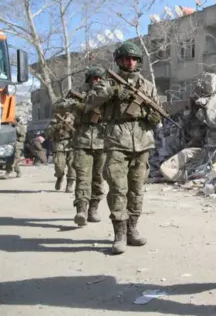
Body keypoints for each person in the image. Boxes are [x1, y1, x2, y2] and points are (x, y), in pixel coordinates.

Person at [85, 42, 161, 255]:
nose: (131, 62)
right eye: (126, 58)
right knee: (119, 190)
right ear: (119, 61)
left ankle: (132, 230)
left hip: (142, 142)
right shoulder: (107, 83)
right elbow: (90, 101)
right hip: (117, 142)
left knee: (137, 190)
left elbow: (156, 109)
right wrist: (114, 91)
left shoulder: (147, 85)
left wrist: (152, 116)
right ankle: (119, 234)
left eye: (134, 59)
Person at [53, 66, 107, 227]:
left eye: (99, 78)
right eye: (93, 78)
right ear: (89, 80)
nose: (96, 81)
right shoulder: (79, 96)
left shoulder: (107, 96)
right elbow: (58, 106)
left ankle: (93, 209)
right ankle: (81, 210)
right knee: (83, 177)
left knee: (98, 179)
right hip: (82, 142)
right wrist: (74, 105)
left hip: (103, 142)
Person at [45, 111, 75, 192]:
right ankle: (59, 177)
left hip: (71, 145)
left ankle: (69, 184)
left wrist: (70, 126)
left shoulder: (73, 118)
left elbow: (78, 131)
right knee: (59, 166)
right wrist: (57, 126)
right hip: (59, 145)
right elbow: (47, 133)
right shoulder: (54, 120)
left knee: (72, 166)